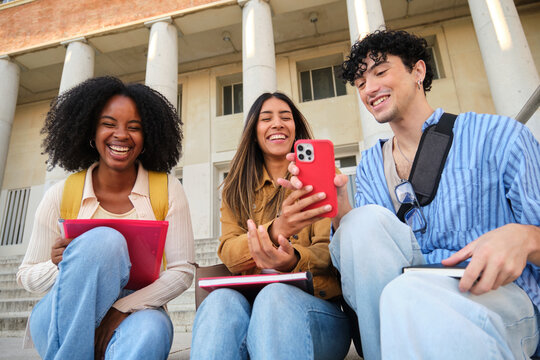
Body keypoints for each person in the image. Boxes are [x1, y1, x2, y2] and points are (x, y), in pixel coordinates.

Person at [283, 30, 540, 359]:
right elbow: (371, 261)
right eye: (360, 83)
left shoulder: (499, 135)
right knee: (362, 227)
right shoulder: (372, 166)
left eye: (380, 72)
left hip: (498, 297)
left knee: (408, 296)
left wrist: (526, 237)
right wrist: (341, 210)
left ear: (418, 71)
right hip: (402, 299)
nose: (370, 88)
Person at [16, 76, 195, 360]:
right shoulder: (60, 194)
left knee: (151, 335)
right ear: (90, 131)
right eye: (109, 124)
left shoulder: (168, 189)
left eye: (134, 127)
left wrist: (121, 308)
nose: (121, 135)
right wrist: (60, 264)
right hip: (63, 310)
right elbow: (26, 276)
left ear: (147, 138)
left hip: (138, 310)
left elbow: (182, 271)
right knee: (103, 240)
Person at [190, 92, 351, 360]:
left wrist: (293, 261)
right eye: (266, 119)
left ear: (295, 128)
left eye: (285, 117)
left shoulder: (323, 177)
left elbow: (330, 251)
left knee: (274, 296)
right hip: (251, 307)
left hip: (318, 313)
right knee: (218, 301)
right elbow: (229, 251)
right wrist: (276, 230)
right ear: (254, 132)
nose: (277, 123)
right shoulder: (235, 190)